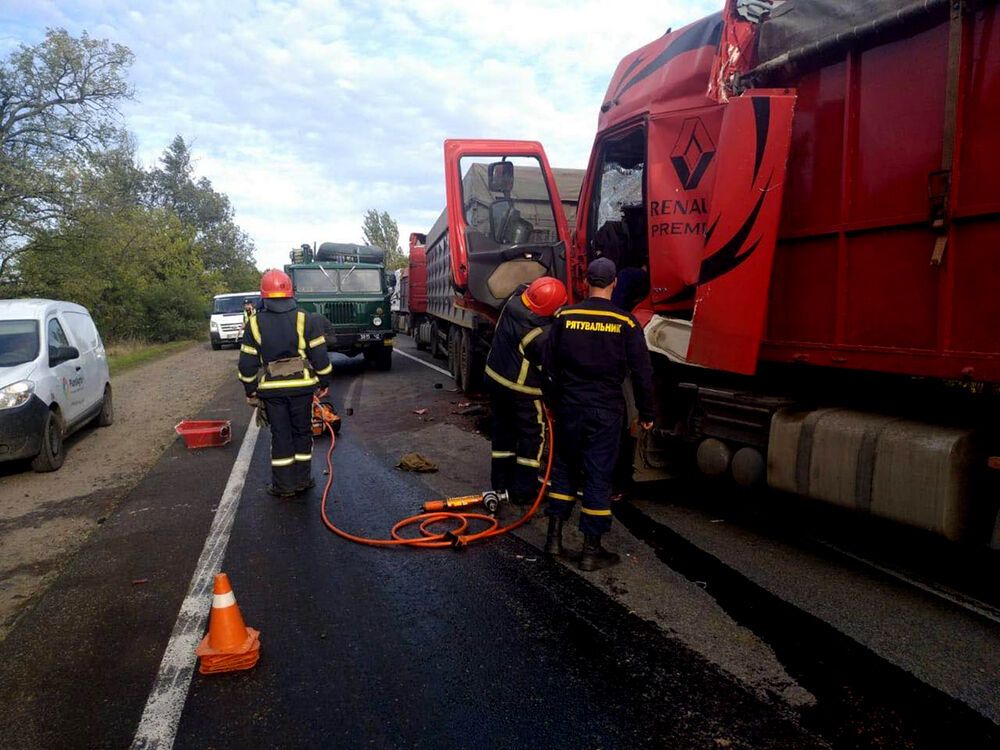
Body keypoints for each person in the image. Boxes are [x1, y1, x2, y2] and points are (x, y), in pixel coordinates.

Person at [542, 257, 655, 571]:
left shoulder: (565, 316)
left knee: (563, 469)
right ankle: (591, 550)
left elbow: (548, 367)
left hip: (569, 407)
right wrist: (646, 412)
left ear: (585, 283)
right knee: (598, 474)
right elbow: (642, 373)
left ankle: (553, 539)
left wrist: (551, 402)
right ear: (614, 283)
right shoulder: (626, 322)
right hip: (605, 411)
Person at [238, 269, 333, 497]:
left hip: (272, 392)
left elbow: (247, 362)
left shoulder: (254, 323)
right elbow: (320, 355)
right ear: (291, 292)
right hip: (302, 389)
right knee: (302, 432)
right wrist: (324, 381)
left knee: (281, 435)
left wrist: (250, 390)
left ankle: (284, 486)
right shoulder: (305, 318)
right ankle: (302, 481)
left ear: (263, 295)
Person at [485, 276, 567, 506]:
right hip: (522, 391)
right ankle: (523, 491)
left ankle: (500, 484)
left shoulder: (513, 302)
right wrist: (555, 400)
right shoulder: (540, 336)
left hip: (494, 379)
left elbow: (525, 287)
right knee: (532, 436)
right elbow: (548, 372)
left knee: (503, 431)